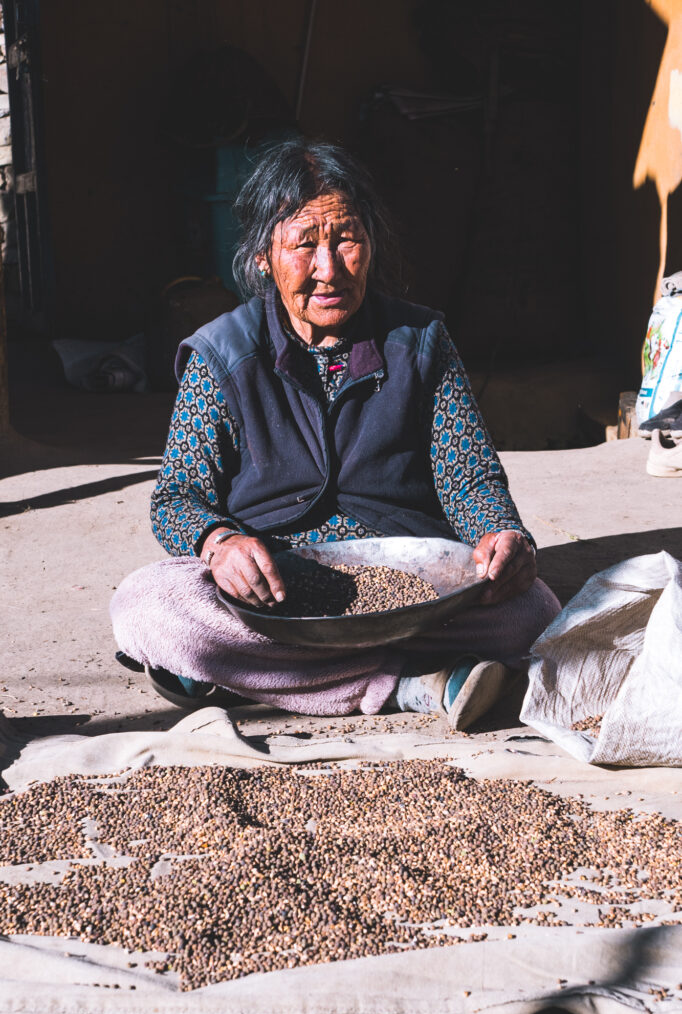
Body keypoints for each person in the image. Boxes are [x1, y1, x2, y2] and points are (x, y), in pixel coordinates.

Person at [111, 140, 560, 729]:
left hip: (408, 585)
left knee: (530, 610)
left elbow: (467, 473)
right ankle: (409, 686)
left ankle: (263, 675)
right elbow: (178, 497)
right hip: (274, 590)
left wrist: (502, 535)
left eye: (347, 239)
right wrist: (221, 544)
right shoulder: (221, 354)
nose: (329, 269)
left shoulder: (421, 340)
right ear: (262, 257)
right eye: (304, 245)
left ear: (370, 243)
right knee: (147, 608)